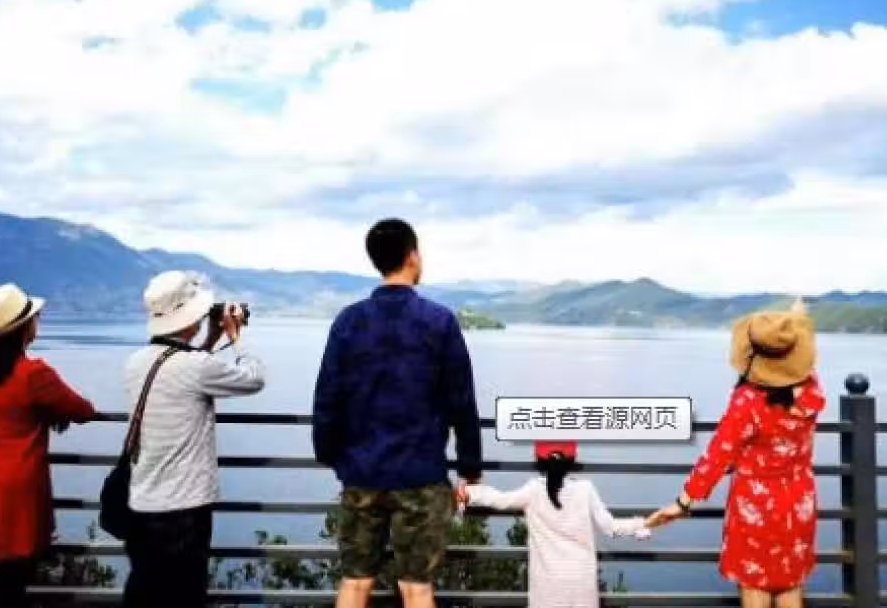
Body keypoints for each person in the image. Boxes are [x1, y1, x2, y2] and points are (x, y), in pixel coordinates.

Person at [313, 217, 484, 608]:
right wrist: (470, 468)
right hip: (421, 474)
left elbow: (327, 398)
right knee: (416, 587)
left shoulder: (348, 321)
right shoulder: (439, 321)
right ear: (412, 256)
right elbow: (461, 401)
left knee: (355, 582)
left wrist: (331, 455)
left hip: (361, 472)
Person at [647, 299, 824, 608]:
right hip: (799, 499)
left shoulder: (748, 401)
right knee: (790, 583)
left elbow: (718, 455)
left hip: (756, 503)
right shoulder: (811, 390)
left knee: (755, 584)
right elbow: (797, 361)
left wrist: (682, 503)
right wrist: (795, 319)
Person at [121, 270, 265, 608]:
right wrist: (235, 337)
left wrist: (211, 339)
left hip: (141, 504)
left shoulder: (136, 362)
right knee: (184, 596)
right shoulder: (196, 366)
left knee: (146, 596)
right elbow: (254, 379)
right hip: (183, 510)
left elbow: (182, 368)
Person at [0, 283, 98, 608]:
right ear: (24, 327)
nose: (38, 322)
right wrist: (46, 412)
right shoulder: (34, 374)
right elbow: (83, 410)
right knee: (10, 586)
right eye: (35, 318)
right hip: (17, 495)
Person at [457, 441, 653, 608]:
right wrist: (643, 524)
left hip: (546, 587)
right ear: (573, 459)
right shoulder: (586, 490)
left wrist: (470, 493)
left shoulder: (533, 491)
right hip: (581, 585)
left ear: (538, 459)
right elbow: (610, 527)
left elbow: (499, 500)